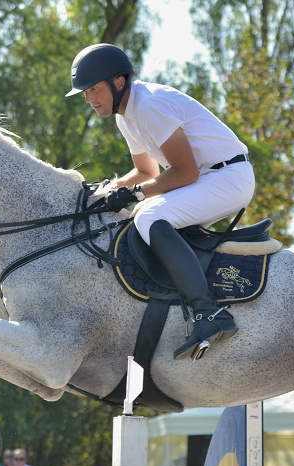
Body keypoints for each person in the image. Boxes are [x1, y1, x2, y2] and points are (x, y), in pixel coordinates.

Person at [66, 43, 256, 360]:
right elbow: (146, 172)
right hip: (210, 177)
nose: (89, 99)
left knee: (148, 217)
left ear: (118, 82)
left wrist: (136, 194)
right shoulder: (126, 117)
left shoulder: (148, 106)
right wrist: (106, 191)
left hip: (228, 176)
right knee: (143, 216)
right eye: (85, 93)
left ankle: (209, 313)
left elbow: (185, 172)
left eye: (93, 89)